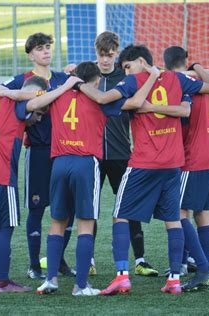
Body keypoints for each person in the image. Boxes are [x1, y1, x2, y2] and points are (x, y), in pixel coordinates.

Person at [77, 44, 209, 295]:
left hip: (144, 162)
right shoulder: (177, 78)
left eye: (128, 66)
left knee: (120, 214)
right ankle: (174, 279)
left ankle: (122, 276)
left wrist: (76, 82)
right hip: (173, 163)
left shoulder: (135, 82)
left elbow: (102, 99)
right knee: (173, 219)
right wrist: (197, 68)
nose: (127, 72)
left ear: (141, 62)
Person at [29, 61, 159, 296]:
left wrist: (64, 85)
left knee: (57, 221)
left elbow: (33, 102)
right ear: (97, 80)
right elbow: (137, 103)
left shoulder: (59, 95)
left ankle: (51, 280)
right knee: (85, 223)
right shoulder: (102, 100)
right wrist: (152, 78)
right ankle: (80, 285)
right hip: (85, 163)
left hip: (58, 163)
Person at [0, 76, 80, 293]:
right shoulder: (17, 103)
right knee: (5, 228)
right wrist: (66, 86)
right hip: (0, 174)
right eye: (38, 114)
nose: (37, 119)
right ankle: (2, 282)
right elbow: (36, 100)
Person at [0, 32, 75, 279]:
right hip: (38, 151)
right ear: (31, 54)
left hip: (65, 151)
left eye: (48, 47)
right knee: (37, 208)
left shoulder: (63, 78)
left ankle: (59, 260)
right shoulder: (22, 80)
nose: (45, 52)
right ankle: (34, 265)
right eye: (40, 48)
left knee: (67, 209)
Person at [92, 31, 157, 277]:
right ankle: (88, 259)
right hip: (93, 154)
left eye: (110, 55)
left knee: (130, 206)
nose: (106, 60)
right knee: (90, 208)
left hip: (121, 153)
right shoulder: (86, 75)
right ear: (96, 53)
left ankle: (140, 259)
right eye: (102, 55)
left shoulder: (127, 77)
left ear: (117, 54)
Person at [163, 46, 209, 291]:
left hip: (194, 157)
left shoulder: (179, 82)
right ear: (186, 61)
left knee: (177, 213)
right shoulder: (206, 80)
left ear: (167, 65)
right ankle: (203, 269)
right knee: (203, 215)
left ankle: (202, 267)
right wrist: (199, 68)